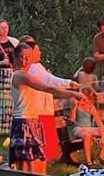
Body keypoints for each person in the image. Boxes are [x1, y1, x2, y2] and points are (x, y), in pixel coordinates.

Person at [9, 42, 83, 176]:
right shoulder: (21, 75)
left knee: (36, 159)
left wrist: (69, 87)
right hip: (24, 122)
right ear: (16, 57)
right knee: (27, 163)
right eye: (22, 57)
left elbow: (49, 86)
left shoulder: (28, 73)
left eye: (28, 57)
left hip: (31, 120)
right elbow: (49, 87)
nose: (25, 60)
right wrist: (73, 93)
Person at [21, 34, 80, 164]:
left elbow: (49, 79)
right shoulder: (34, 68)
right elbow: (50, 81)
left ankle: (50, 161)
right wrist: (70, 84)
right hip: (38, 109)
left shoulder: (37, 67)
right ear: (30, 53)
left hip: (43, 107)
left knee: (47, 145)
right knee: (42, 144)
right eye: (37, 50)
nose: (40, 52)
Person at [67, 87, 104, 166]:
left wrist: (102, 137)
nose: (85, 101)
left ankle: (101, 156)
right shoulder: (77, 105)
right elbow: (71, 120)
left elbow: (99, 123)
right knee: (87, 136)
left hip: (89, 128)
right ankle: (89, 162)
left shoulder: (91, 107)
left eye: (87, 99)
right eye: (82, 99)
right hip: (79, 128)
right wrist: (74, 107)